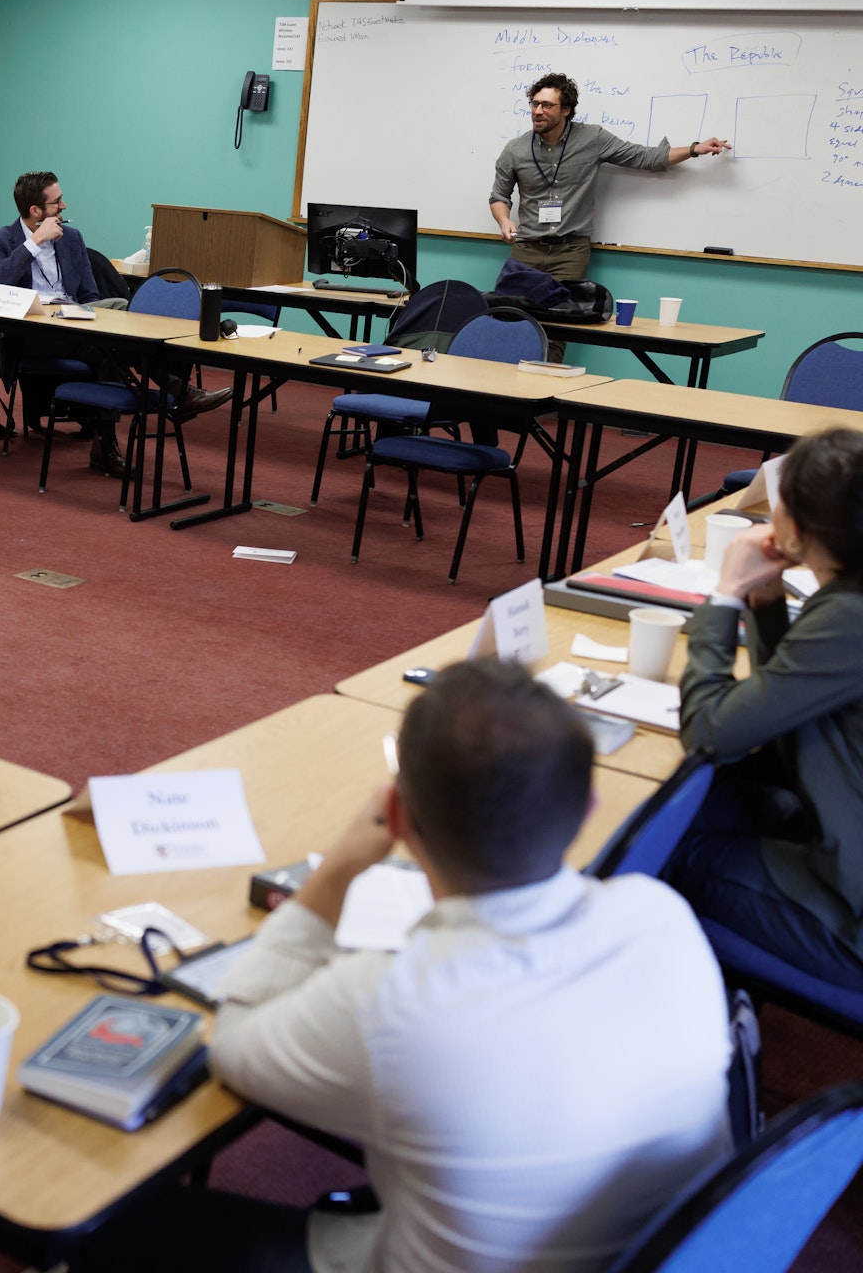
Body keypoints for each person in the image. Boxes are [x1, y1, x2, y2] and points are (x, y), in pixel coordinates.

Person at [80, 658, 732, 1273]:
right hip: (649, 1251)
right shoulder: (661, 916)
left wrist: (333, 875)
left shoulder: (394, 1004)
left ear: (396, 817)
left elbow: (235, 1046)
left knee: (108, 1227)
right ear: (588, 807)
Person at [667, 427, 863, 993]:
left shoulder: (848, 618)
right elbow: (795, 703)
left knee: (667, 842)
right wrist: (767, 600)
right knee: (718, 800)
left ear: (797, 532)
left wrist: (726, 595)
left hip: (852, 905)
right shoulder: (848, 602)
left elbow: (708, 731)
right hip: (838, 823)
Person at [0, 171, 226, 474]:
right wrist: (35, 241)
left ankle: (106, 443)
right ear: (36, 211)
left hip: (77, 326)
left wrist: (78, 312)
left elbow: (90, 295)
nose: (64, 206)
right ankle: (177, 391)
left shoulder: (71, 238)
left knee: (108, 345)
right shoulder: (0, 240)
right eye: (57, 202)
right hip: (33, 334)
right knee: (115, 331)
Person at [490, 73, 730, 284]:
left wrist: (693, 149)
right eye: (534, 104)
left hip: (571, 251)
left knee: (559, 322)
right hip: (527, 248)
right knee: (515, 317)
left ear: (565, 110)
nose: (537, 111)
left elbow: (644, 157)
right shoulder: (516, 149)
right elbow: (499, 196)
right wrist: (503, 221)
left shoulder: (592, 139)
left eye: (546, 105)